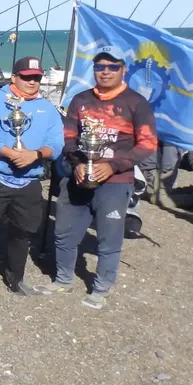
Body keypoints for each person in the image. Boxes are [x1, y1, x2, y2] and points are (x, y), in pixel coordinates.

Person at [36, 48, 158, 308]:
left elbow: (148, 144)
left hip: (115, 183)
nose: (105, 71)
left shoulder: (136, 103)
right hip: (78, 179)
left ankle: (101, 288)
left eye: (112, 67)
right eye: (100, 66)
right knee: (64, 233)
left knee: (109, 237)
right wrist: (77, 164)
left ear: (122, 69)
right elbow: (69, 138)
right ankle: (63, 280)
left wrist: (114, 166)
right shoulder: (80, 101)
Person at [0, 57, 64, 300]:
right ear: (13, 77)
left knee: (23, 232)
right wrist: (8, 152)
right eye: (26, 76)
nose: (32, 81)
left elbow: (56, 144)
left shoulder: (47, 109)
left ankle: (15, 276)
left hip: (29, 180)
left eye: (36, 77)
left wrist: (35, 155)